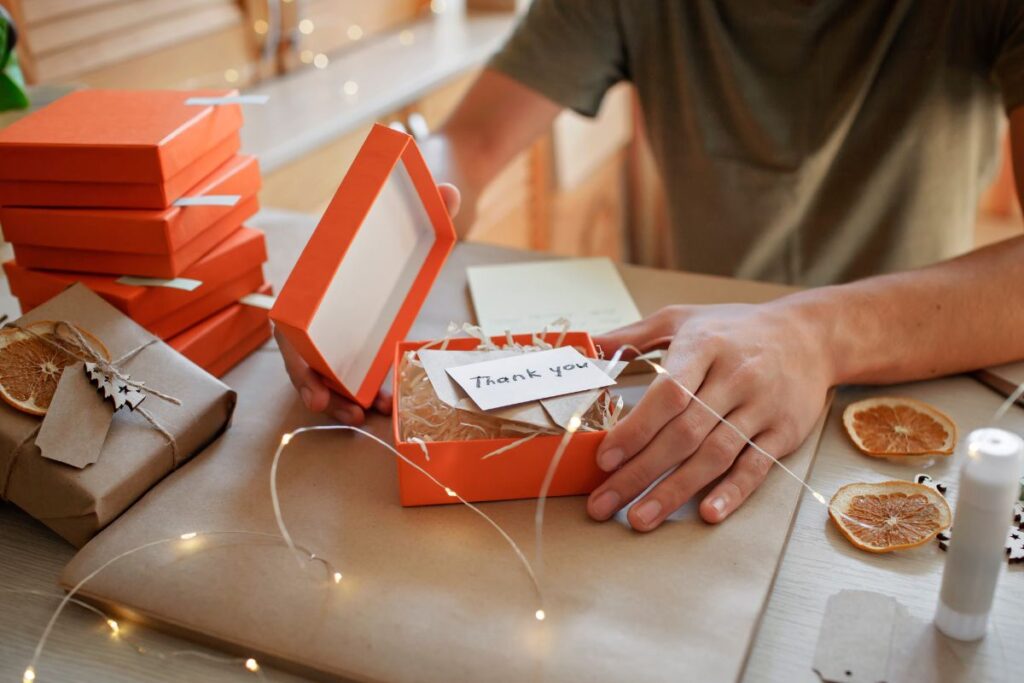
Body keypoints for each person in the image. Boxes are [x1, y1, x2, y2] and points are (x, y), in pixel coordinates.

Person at [278, 0, 1024, 532]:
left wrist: (820, 333)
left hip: (929, 381)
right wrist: (354, 266)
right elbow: (466, 146)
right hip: (691, 378)